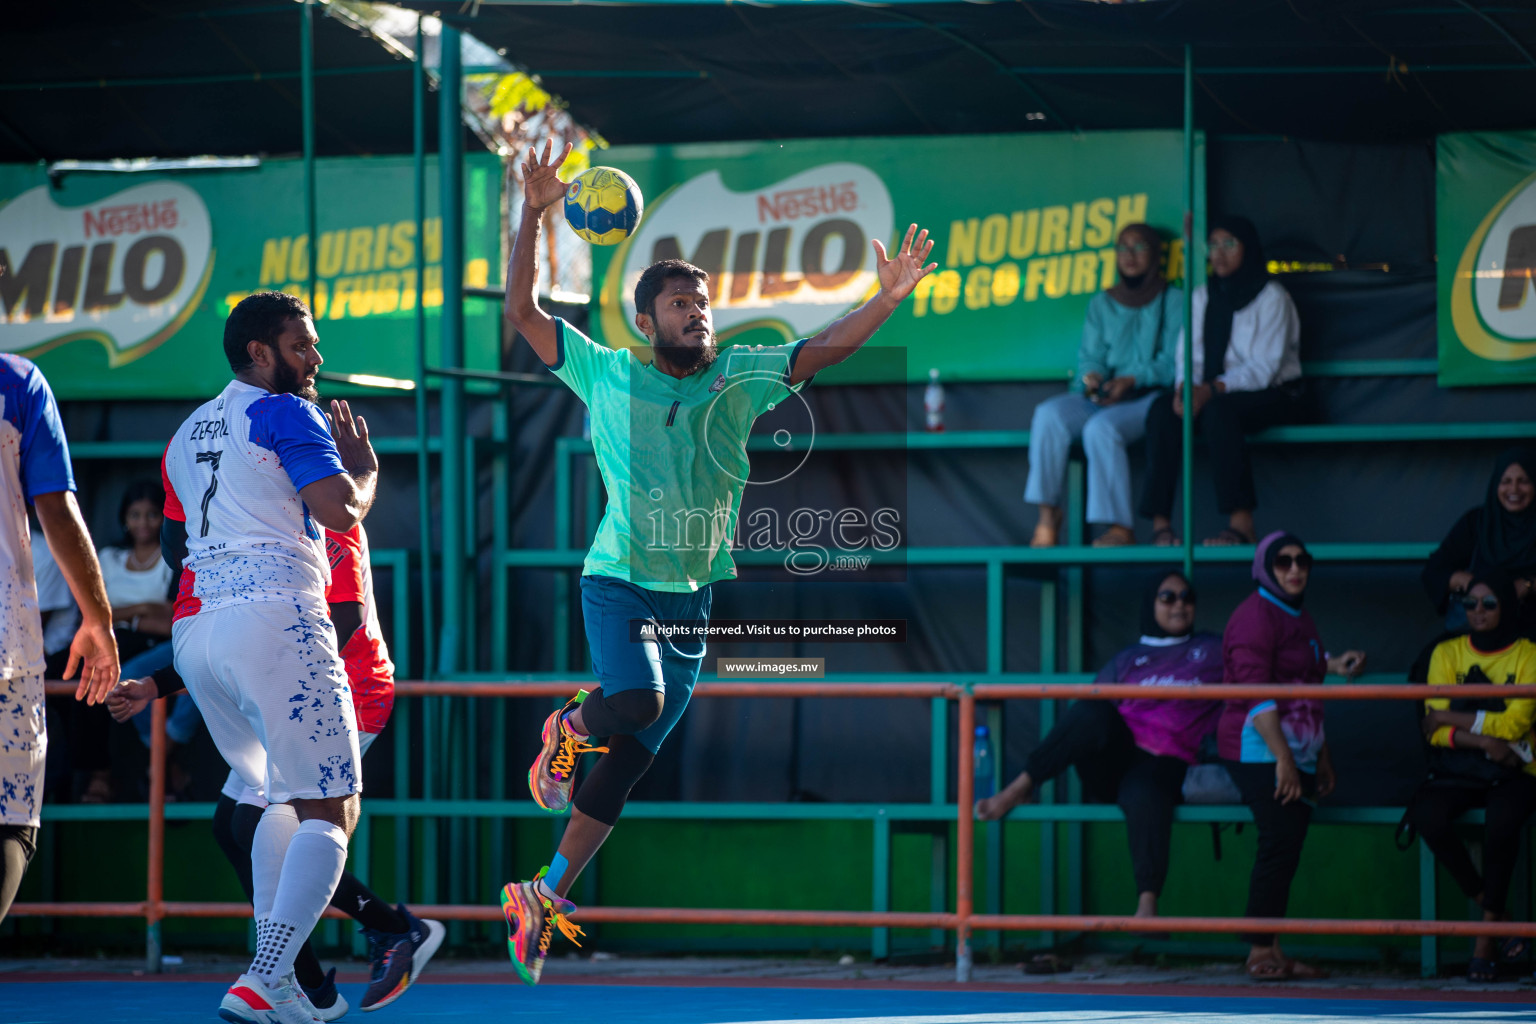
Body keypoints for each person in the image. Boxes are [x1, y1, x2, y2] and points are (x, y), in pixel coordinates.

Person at [497, 139, 937, 986]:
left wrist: (884, 299)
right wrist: (535, 211)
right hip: (619, 579)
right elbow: (523, 311)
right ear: (645, 319)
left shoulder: (739, 376)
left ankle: (542, 893)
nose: (696, 312)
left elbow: (825, 349)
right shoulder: (609, 373)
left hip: (694, 599)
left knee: (628, 765)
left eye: (702, 301)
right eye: (678, 302)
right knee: (630, 702)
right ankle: (568, 727)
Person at [110, 521, 443, 1017]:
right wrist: (157, 684)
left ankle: (308, 972)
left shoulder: (327, 513)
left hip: (341, 695)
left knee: (258, 823)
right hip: (276, 689)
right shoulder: (250, 512)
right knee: (230, 826)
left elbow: (344, 617)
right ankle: (347, 959)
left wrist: (269, 663)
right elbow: (231, 619)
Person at [162, 290, 378, 1024]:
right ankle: (264, 977)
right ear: (259, 353)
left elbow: (172, 547)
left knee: (271, 798)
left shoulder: (183, 433)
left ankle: (277, 982)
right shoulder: (285, 411)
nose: (316, 358)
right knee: (331, 807)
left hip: (201, 636)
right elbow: (338, 510)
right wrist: (362, 469)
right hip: (274, 619)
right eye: (301, 344)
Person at [975, 570, 1222, 922]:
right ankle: (1021, 786)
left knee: (1145, 789)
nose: (1179, 605)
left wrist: (1326, 664)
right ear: (1151, 604)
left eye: (1187, 597)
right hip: (1116, 762)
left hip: (1169, 761)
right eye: (1168, 597)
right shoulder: (1128, 659)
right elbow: (1092, 713)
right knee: (1092, 711)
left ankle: (1147, 906)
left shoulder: (1212, 650)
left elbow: (1264, 667)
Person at [0, 354, 119, 924]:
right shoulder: (17, 382)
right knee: (11, 821)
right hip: (6, 644)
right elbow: (55, 503)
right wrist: (98, 621)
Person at [1219, 531, 1366, 981]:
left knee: (1287, 844)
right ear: (1265, 567)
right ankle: (1260, 951)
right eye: (1283, 562)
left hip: (1296, 749)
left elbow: (1309, 681)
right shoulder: (1253, 617)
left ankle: (1274, 950)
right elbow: (1255, 694)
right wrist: (1283, 757)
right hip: (1256, 747)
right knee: (1279, 840)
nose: (1295, 569)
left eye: (1303, 560)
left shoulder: (1298, 616)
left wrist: (1319, 754)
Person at [1138, 216, 1304, 547]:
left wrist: (1211, 390)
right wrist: (1186, 389)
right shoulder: (1203, 296)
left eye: (1229, 244)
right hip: (1211, 392)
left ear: (1248, 248)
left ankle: (1241, 524)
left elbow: (1265, 368)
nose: (1219, 253)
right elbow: (1190, 356)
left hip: (1272, 394)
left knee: (1220, 412)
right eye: (1213, 245)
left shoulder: (1272, 296)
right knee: (1161, 411)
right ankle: (1161, 528)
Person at [1406, 568, 1536, 982]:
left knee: (1503, 822)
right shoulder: (1445, 653)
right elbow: (1433, 727)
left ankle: (1483, 945)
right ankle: (1495, 919)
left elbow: (1516, 725)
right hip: (1464, 765)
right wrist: (1484, 740)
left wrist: (1453, 716)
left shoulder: (1529, 654)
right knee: (1427, 816)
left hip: (1516, 767)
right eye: (1470, 604)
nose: (1478, 611)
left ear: (1507, 606)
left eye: (1490, 603)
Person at [1026, 224, 1179, 548]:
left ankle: (1120, 528)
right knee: (1047, 415)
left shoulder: (1174, 299)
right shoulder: (1102, 302)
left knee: (1101, 429)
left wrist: (1132, 379)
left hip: (1148, 398)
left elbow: (1172, 365)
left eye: (1140, 247)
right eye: (1123, 248)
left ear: (1155, 254)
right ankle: (1047, 515)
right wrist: (1092, 378)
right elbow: (1090, 358)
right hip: (1105, 396)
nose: (1130, 256)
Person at [98, 479, 200, 796]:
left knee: (202, 665)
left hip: (168, 643)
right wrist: (145, 612)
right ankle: (163, 760)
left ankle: (163, 750)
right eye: (135, 514)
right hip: (112, 649)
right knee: (118, 681)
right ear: (124, 518)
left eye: (152, 514)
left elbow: (174, 619)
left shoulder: (175, 557)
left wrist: (125, 615)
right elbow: (92, 617)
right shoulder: (107, 558)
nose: (143, 523)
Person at [1422, 447, 1536, 637]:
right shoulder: (1478, 523)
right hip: (1478, 635)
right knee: (1428, 663)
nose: (1514, 489)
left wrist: (1527, 585)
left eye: (1523, 481)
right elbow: (1435, 570)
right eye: (1505, 481)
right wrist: (1474, 584)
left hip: (1531, 633)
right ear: (1495, 485)